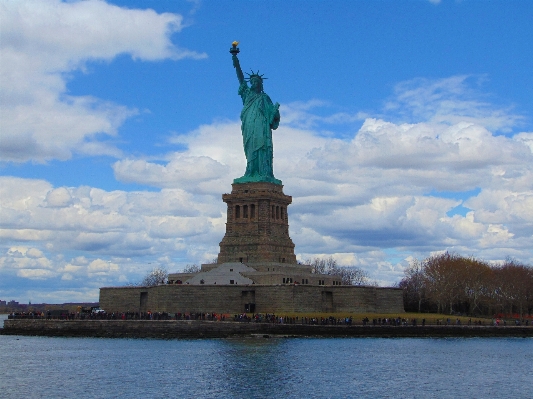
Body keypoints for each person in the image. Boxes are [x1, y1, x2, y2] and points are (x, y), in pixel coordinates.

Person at [231, 52, 281, 184]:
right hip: (249, 124)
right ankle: (250, 171)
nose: (253, 83)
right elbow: (241, 79)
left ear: (260, 84)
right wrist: (237, 64)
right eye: (252, 81)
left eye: (256, 82)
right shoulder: (247, 95)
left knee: (262, 147)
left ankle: (264, 172)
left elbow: (273, 117)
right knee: (250, 146)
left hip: (262, 126)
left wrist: (275, 113)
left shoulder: (265, 98)